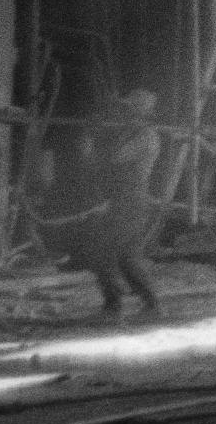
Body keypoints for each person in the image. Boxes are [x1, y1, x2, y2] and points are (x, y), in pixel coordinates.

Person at [47, 89, 163, 318]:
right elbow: (100, 164)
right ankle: (139, 303)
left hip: (130, 201)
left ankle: (121, 303)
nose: (124, 111)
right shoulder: (128, 132)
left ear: (140, 112)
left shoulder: (145, 136)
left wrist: (93, 141)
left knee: (104, 252)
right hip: (120, 200)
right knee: (123, 254)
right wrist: (93, 140)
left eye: (129, 108)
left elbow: (115, 159)